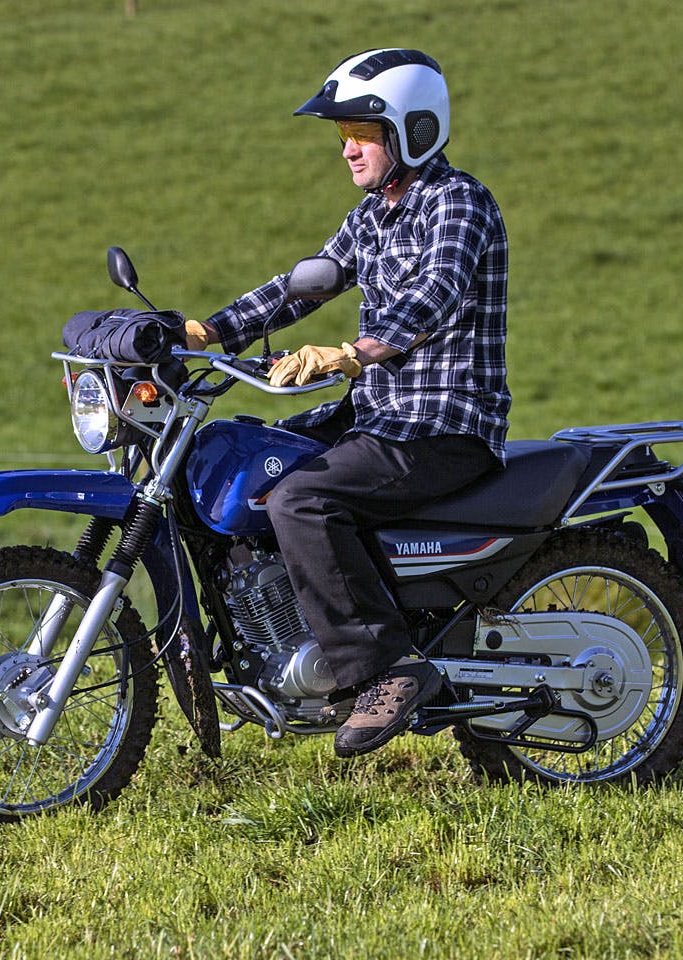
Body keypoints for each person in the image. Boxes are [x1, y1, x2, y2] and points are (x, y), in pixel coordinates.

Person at [185, 48, 510, 758]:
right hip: (380, 417)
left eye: (359, 134)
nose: (347, 151)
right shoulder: (372, 216)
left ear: (410, 130)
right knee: (257, 471)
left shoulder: (459, 203)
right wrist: (207, 330)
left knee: (302, 501)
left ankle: (386, 669)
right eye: (341, 137)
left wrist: (353, 353)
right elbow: (300, 286)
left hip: (443, 424)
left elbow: (435, 296)